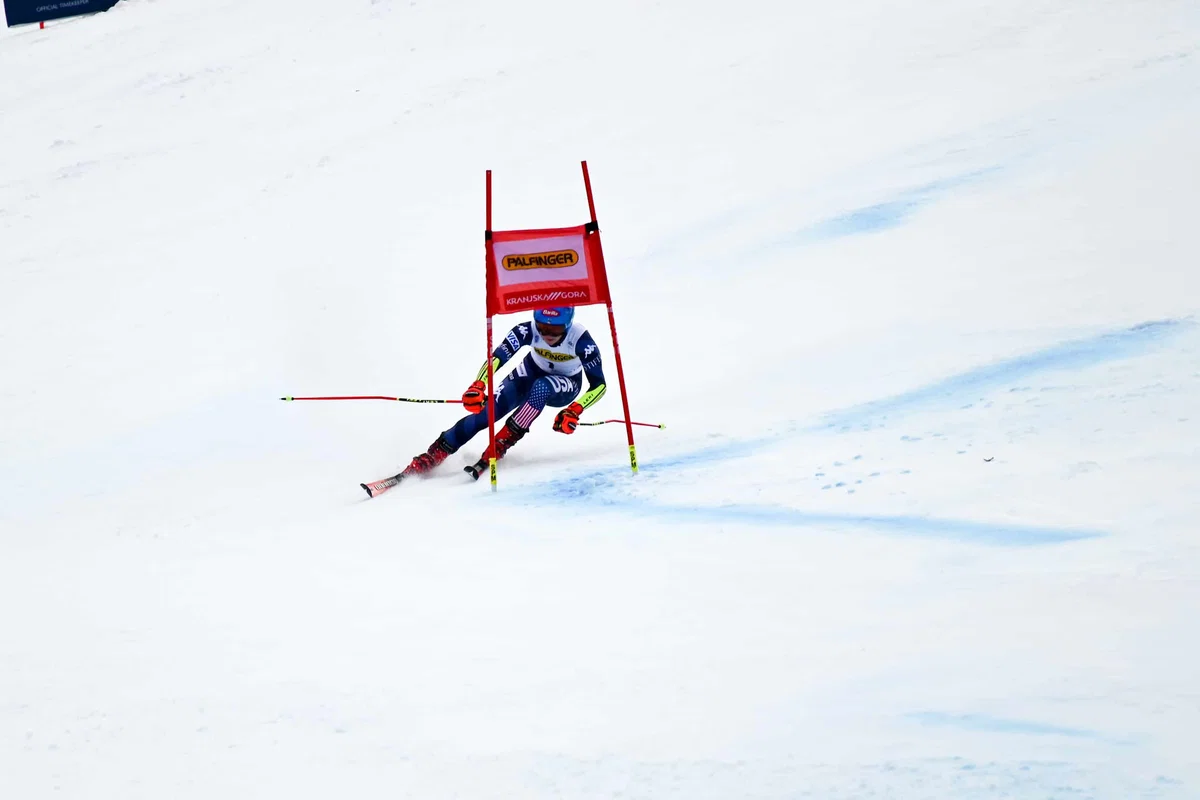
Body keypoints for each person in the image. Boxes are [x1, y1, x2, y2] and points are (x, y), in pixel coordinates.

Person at [406, 306, 607, 479]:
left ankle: (502, 442)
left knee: (542, 387)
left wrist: (575, 409)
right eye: (542, 327)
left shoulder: (582, 341)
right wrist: (479, 385)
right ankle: (434, 453)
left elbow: (599, 386)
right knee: (488, 412)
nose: (547, 334)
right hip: (531, 370)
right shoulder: (526, 330)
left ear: (568, 324)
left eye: (555, 329)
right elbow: (498, 357)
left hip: (566, 383)